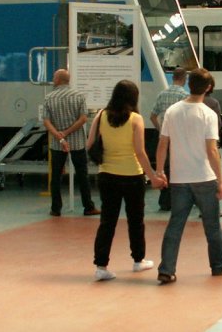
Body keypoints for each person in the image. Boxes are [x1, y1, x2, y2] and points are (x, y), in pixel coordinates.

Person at [154, 68, 222, 285]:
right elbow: (212, 150)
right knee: (212, 225)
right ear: (208, 88)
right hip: (204, 177)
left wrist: (160, 171)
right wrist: (221, 180)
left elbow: (163, 144)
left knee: (175, 224)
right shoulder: (208, 114)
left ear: (189, 84)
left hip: (179, 178)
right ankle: (219, 265)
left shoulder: (172, 111)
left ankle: (166, 269)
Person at [86, 80, 164, 281]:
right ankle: (138, 260)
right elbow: (140, 152)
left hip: (106, 175)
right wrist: (153, 176)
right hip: (132, 177)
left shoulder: (101, 115)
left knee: (107, 222)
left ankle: (101, 266)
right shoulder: (136, 119)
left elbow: (90, 144)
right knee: (136, 221)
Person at [43, 68, 99, 218]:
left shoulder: (49, 98)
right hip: (77, 143)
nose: (53, 79)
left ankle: (56, 209)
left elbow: (46, 121)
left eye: (54, 77)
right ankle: (88, 207)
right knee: (82, 175)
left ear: (58, 80)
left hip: (57, 144)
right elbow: (83, 119)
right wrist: (67, 132)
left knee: (56, 176)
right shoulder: (79, 96)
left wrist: (59, 135)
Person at [149, 67, 188, 211]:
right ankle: (180, 200)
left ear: (173, 78)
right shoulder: (185, 96)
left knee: (165, 168)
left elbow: (153, 116)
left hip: (164, 138)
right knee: (179, 170)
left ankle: (165, 201)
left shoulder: (162, 94)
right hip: (179, 139)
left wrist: (161, 129)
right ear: (184, 79)